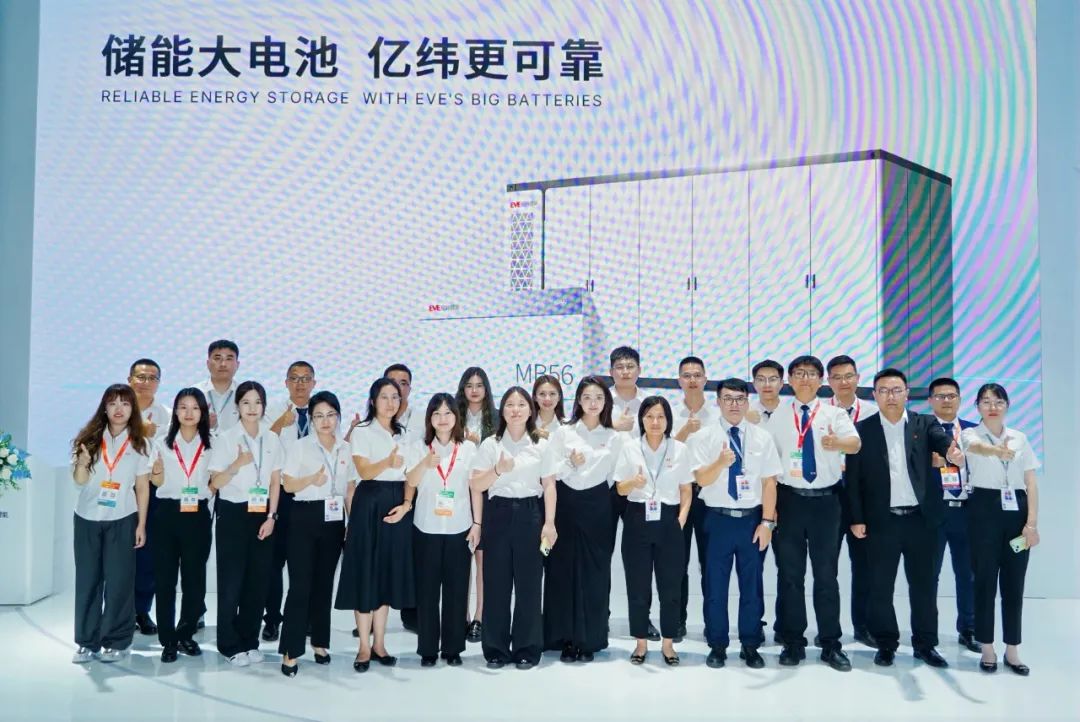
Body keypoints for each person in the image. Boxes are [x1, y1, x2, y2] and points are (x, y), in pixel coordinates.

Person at [845, 368, 960, 668]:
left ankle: (925, 645)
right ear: (875, 395)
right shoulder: (862, 429)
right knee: (880, 587)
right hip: (882, 521)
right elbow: (854, 480)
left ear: (907, 393)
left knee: (923, 586)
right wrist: (856, 518)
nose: (891, 396)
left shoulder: (925, 423)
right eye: (884, 391)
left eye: (897, 390)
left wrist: (952, 451)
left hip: (921, 521)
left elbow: (942, 441)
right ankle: (886, 643)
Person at [771, 355, 860, 671]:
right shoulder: (779, 416)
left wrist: (837, 441)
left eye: (811, 373)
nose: (805, 379)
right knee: (790, 575)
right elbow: (770, 463)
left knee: (826, 576)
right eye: (799, 373)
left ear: (821, 380)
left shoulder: (835, 414)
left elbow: (855, 444)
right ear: (790, 380)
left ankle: (830, 643)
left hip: (826, 503)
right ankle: (793, 642)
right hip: (789, 501)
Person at [690, 378, 781, 669]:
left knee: (752, 587)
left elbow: (769, 483)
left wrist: (767, 523)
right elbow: (701, 479)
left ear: (747, 402)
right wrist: (720, 463)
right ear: (718, 401)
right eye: (728, 398)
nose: (734, 404)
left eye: (740, 399)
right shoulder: (703, 437)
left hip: (751, 520)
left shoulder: (762, 437)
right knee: (714, 586)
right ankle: (717, 645)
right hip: (715, 519)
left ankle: (750, 645)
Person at [469, 386, 557, 670]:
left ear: (530, 410)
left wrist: (550, 523)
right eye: (509, 404)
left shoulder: (541, 444)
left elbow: (549, 485)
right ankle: (495, 649)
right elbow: (476, 484)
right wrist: (497, 470)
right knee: (496, 584)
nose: (515, 410)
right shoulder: (491, 445)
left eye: (521, 404)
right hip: (498, 514)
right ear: (502, 410)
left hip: (531, 514)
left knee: (529, 586)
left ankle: (527, 649)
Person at [335, 377, 415, 672]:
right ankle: (363, 647)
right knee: (365, 573)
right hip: (369, 502)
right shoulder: (362, 431)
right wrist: (387, 462)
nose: (391, 402)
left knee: (385, 575)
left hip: (397, 502)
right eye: (384, 397)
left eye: (395, 397)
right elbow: (365, 471)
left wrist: (407, 504)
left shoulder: (404, 433)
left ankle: (380, 644)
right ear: (372, 401)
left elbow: (410, 474)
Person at [960, 383, 1040, 676]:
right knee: (984, 581)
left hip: (1016, 510)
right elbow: (976, 449)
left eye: (998, 401)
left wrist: (1031, 524)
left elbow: (1030, 482)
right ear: (977, 407)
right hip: (983, 509)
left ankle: (1013, 649)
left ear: (1007, 405)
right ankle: (987, 648)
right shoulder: (970, 434)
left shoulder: (1020, 437)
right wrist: (997, 450)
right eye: (985, 401)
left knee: (1014, 583)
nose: (992, 407)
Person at [70, 384, 152, 664]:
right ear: (104, 408)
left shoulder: (141, 444)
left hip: (123, 519)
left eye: (125, 404)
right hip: (87, 518)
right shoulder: (88, 440)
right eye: (113, 403)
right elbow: (79, 481)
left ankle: (118, 641)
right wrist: (82, 463)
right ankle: (86, 641)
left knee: (119, 583)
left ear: (133, 410)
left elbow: (142, 487)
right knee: (88, 581)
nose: (119, 409)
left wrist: (141, 524)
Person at [543, 376, 621, 662]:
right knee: (561, 569)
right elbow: (550, 473)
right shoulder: (563, 432)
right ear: (578, 401)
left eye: (598, 397)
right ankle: (564, 638)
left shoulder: (613, 437)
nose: (593, 403)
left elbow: (613, 477)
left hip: (598, 507)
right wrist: (570, 463)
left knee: (595, 572)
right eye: (587, 397)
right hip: (565, 503)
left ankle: (589, 640)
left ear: (606, 402)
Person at [613, 396, 692, 666]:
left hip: (669, 519)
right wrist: (633, 482)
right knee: (638, 586)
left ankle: (668, 644)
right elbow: (620, 489)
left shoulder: (680, 449)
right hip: (637, 518)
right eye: (649, 416)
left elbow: (686, 490)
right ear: (641, 420)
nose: (655, 422)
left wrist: (680, 519)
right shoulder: (630, 448)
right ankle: (641, 643)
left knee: (670, 586)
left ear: (668, 420)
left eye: (660, 416)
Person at [208, 380, 283, 666]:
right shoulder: (227, 438)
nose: (252, 408)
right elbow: (214, 483)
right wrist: (237, 464)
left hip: (263, 514)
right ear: (237, 407)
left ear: (264, 406)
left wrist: (272, 516)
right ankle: (228, 644)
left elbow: (275, 481)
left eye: (258, 402)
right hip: (233, 513)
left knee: (257, 581)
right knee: (231, 582)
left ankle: (249, 639)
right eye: (246, 402)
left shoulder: (271, 438)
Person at [405, 393, 482, 667]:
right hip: (426, 527)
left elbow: (475, 489)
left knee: (457, 590)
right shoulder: (419, 447)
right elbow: (410, 482)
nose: (442, 418)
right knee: (427, 592)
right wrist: (424, 464)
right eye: (436, 413)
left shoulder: (468, 449)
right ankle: (427, 648)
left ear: (456, 418)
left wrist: (477, 524)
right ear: (429, 419)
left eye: (448, 413)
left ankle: (453, 648)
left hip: (459, 527)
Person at [278, 391, 349, 676]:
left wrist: (352, 522)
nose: (325, 421)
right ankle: (291, 650)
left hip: (334, 518)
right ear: (311, 419)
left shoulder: (345, 448)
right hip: (304, 517)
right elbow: (288, 485)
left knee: (324, 584)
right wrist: (311, 479)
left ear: (338, 417)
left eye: (330, 415)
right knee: (300, 586)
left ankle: (320, 642)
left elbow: (350, 488)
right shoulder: (300, 447)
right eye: (318, 416)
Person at [149, 388, 213, 663]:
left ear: (203, 413)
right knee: (165, 581)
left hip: (197, 514)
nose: (189, 413)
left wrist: (207, 491)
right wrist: (157, 473)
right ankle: (168, 640)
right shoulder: (161, 442)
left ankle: (186, 633)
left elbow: (217, 477)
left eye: (195, 408)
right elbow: (156, 482)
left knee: (194, 580)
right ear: (175, 411)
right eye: (183, 407)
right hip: (166, 513)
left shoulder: (212, 443)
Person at [261, 361, 318, 644]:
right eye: (294, 378)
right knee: (274, 562)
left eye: (306, 379)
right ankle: (272, 619)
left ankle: (303, 618)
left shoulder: (322, 412)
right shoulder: (273, 411)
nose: (300, 384)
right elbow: (260, 444)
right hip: (281, 494)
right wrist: (278, 425)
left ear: (314, 383)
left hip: (312, 496)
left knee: (305, 563)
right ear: (286, 383)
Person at [606, 346, 659, 641]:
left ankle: (642, 620)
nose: (625, 371)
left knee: (641, 561)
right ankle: (599, 618)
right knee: (600, 557)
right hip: (605, 489)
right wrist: (612, 425)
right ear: (611, 371)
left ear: (639, 370)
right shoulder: (600, 401)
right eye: (619, 366)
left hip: (640, 489)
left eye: (630, 366)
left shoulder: (649, 404)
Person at [826, 354, 879, 648]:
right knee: (827, 567)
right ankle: (829, 629)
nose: (843, 382)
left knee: (865, 565)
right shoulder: (820, 412)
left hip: (865, 497)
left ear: (858, 378)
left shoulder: (872, 412)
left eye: (849, 376)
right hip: (831, 493)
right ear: (829, 382)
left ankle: (864, 626)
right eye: (837, 377)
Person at [927, 377, 980, 653]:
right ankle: (927, 633)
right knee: (929, 575)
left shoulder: (974, 431)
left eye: (951, 396)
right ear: (930, 401)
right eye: (940, 396)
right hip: (933, 513)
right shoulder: (921, 430)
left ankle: (969, 629)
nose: (946, 400)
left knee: (968, 574)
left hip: (967, 513)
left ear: (960, 399)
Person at [671, 355, 715, 642]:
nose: (692, 380)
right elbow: (663, 452)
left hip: (711, 496)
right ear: (679, 380)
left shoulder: (719, 413)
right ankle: (676, 621)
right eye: (686, 375)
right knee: (678, 562)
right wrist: (685, 430)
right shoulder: (669, 413)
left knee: (710, 565)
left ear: (705, 379)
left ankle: (713, 624)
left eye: (697, 375)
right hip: (679, 495)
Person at [456, 366, 497, 643]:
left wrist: (477, 445)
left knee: (483, 560)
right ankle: (461, 615)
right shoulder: (452, 416)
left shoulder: (496, 418)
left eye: (479, 385)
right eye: (469, 385)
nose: (474, 390)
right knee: (460, 562)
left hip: (487, 497)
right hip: (457, 496)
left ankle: (480, 617)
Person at [128, 358, 168, 637]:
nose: (145, 383)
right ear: (130, 379)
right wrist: (137, 431)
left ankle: (142, 610)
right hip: (119, 488)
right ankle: (117, 611)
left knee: (148, 554)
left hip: (153, 489)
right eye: (140, 377)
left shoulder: (166, 415)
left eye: (152, 378)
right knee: (117, 554)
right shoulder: (117, 409)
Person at [385, 363, 420, 633]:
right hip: (381, 492)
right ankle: (373, 615)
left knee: (413, 557)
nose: (398, 387)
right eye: (392, 382)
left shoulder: (421, 418)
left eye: (404, 382)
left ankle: (412, 614)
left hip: (414, 491)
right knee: (381, 558)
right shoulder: (372, 421)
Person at [198, 340, 241, 432]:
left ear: (237, 365)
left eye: (229, 359)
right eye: (217, 358)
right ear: (208, 363)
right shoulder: (194, 393)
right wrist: (198, 425)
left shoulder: (245, 395)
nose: (223, 364)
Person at [532, 374, 566, 438]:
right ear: (535, 397)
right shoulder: (525, 425)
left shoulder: (567, 427)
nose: (547, 399)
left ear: (559, 397)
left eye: (552, 394)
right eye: (542, 394)